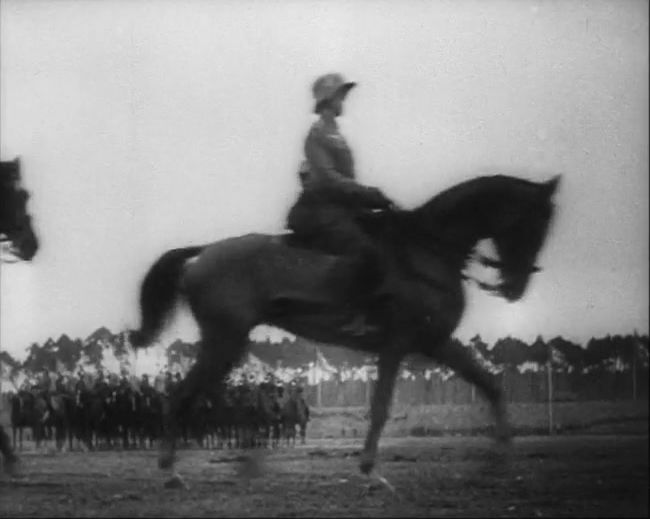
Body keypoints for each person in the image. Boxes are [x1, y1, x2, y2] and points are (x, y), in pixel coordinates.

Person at [286, 73, 394, 337]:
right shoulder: (318, 133)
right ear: (328, 100)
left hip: (341, 204)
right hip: (321, 208)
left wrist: (366, 198)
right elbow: (328, 178)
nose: (343, 100)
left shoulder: (334, 132)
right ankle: (351, 316)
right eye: (340, 96)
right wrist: (365, 193)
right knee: (363, 250)